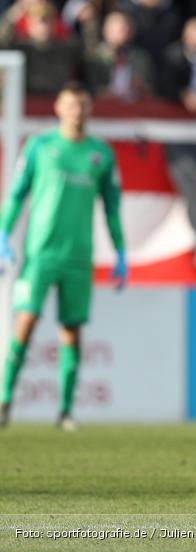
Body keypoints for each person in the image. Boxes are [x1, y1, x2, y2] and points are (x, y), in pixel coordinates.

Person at [0, 83, 127, 431]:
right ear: (58, 107)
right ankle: (5, 400)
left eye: (83, 105)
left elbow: (113, 206)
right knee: (23, 325)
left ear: (89, 109)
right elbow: (16, 194)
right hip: (39, 254)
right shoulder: (39, 146)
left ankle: (66, 412)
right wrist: (3, 231)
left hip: (78, 257)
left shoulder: (100, 153)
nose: (77, 111)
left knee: (71, 332)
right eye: (71, 105)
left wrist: (120, 249)